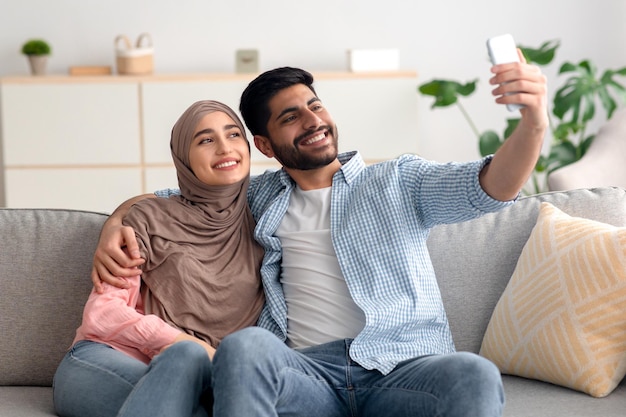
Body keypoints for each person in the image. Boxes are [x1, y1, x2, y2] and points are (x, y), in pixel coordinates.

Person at [93, 52, 548, 416]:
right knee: (245, 347)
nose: (311, 120)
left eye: (314, 106)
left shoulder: (398, 181)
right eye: (290, 117)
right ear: (265, 146)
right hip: (308, 375)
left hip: (402, 368)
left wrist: (533, 124)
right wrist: (115, 224)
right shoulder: (255, 197)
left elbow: (492, 184)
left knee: (474, 373)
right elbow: (169, 200)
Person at [53, 100, 265, 417]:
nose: (224, 147)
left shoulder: (265, 221)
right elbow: (103, 314)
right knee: (186, 359)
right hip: (105, 360)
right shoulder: (149, 218)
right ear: (183, 157)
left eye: (234, 134)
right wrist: (193, 347)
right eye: (206, 140)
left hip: (202, 379)